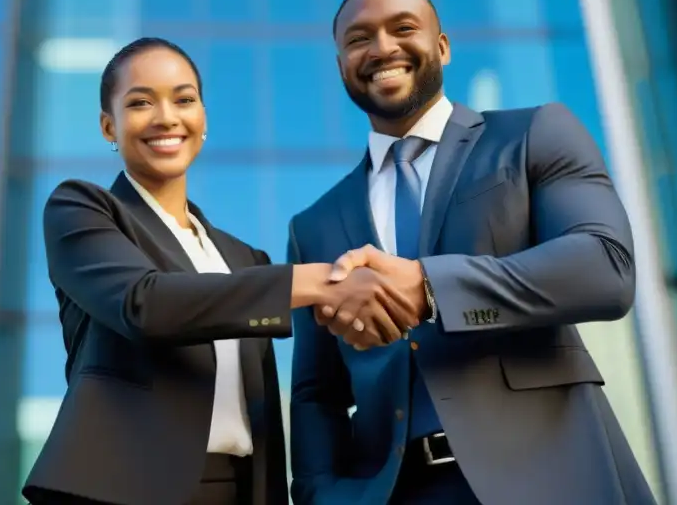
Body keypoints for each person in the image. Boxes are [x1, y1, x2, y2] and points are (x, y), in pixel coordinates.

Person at [287, 0, 657, 505]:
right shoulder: (313, 225)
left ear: (442, 46)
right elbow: (315, 393)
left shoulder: (534, 134)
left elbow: (606, 265)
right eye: (358, 38)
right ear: (342, 63)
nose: (383, 47)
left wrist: (429, 285)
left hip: (551, 477)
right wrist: (321, 495)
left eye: (403, 28)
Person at [22, 37, 419, 505]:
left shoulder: (242, 259)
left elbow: (263, 409)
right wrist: (319, 280)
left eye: (184, 99)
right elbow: (145, 304)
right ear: (110, 126)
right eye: (141, 102)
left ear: (203, 119)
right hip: (125, 487)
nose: (166, 117)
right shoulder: (82, 210)